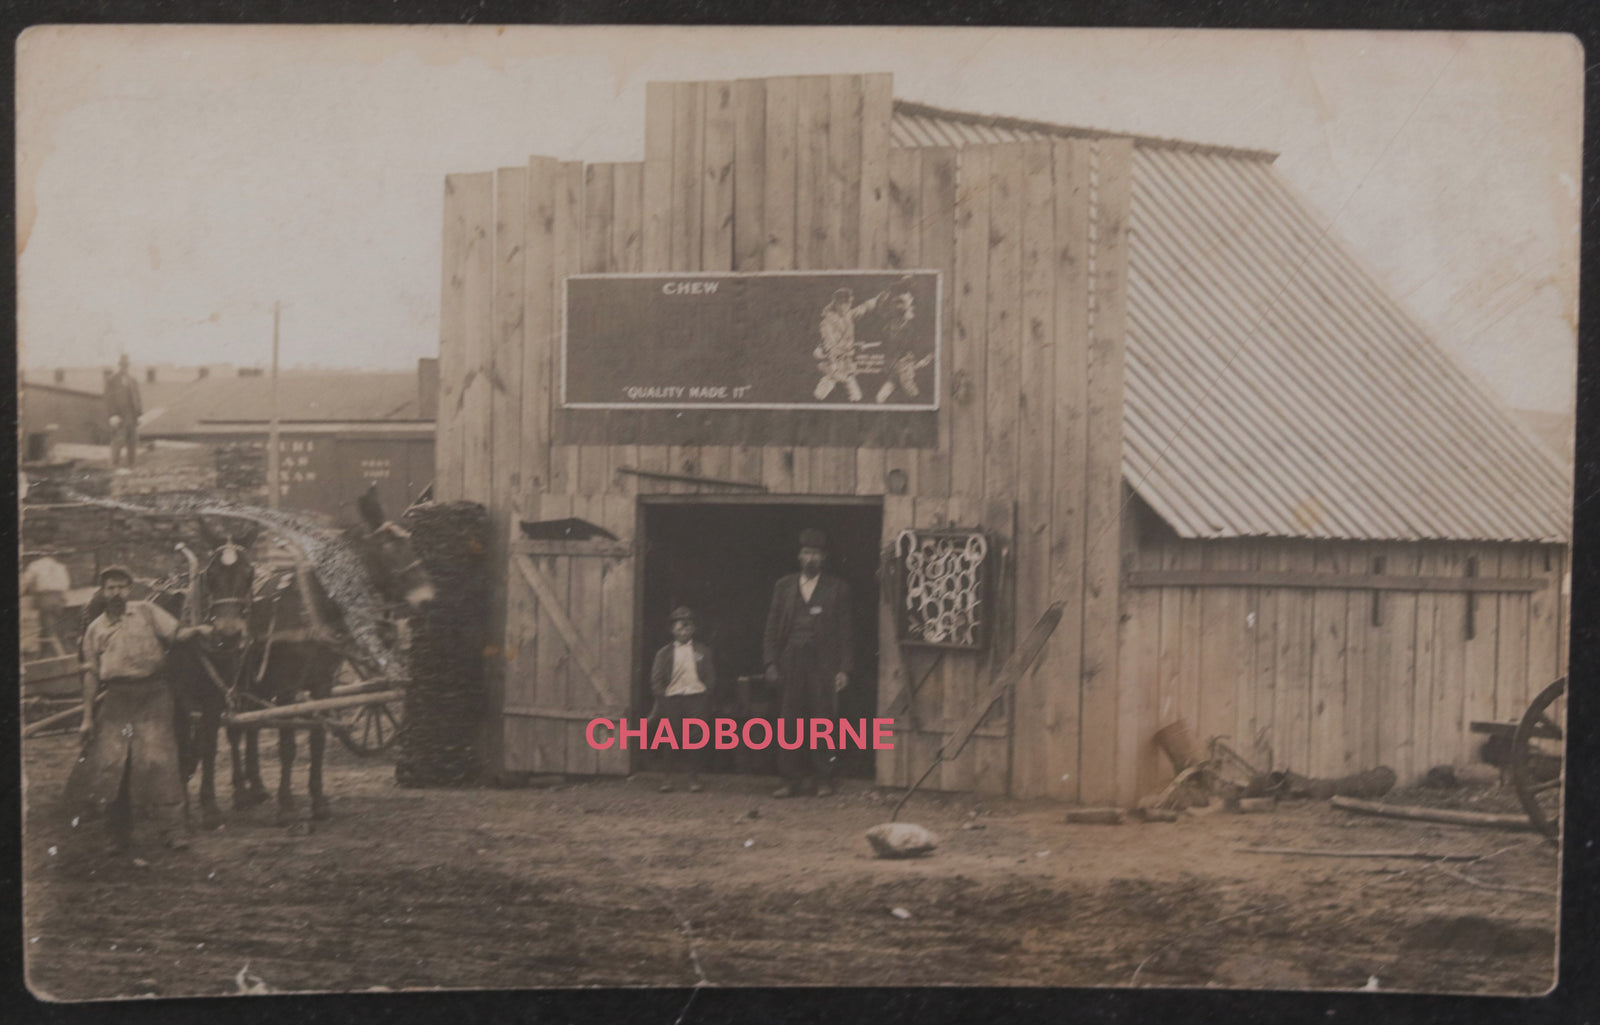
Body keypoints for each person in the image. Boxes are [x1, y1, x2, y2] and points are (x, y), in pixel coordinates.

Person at [66, 566, 211, 852]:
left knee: (162, 762)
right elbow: (91, 675)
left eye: (121, 587)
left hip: (154, 694)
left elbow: (176, 634)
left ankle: (174, 831)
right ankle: (117, 835)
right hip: (117, 698)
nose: (116, 593)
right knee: (114, 767)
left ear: (129, 590)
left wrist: (199, 630)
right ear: (103, 592)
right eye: (110, 588)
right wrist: (86, 718)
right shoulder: (95, 629)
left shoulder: (146, 611)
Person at [763, 528, 853, 798]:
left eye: (815, 553)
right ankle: (790, 780)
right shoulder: (784, 587)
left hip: (823, 663)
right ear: (799, 556)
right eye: (806, 552)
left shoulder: (837, 588)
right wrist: (770, 662)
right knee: (790, 721)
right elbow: (771, 628)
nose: (810, 558)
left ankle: (823, 778)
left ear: (823, 557)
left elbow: (846, 632)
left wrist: (844, 669)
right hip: (791, 661)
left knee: (822, 720)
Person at [649, 606, 717, 793]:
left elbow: (710, 677)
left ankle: (693, 779)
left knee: (696, 738)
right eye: (680, 628)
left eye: (688, 627)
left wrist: (704, 694)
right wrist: (663, 698)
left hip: (696, 699)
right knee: (670, 737)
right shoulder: (664, 653)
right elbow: (656, 680)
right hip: (672, 700)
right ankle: (667, 779)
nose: (684, 632)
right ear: (672, 630)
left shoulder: (702, 651)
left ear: (693, 629)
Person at [20, 553, 73, 656]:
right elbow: (66, 584)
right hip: (59, 598)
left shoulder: (35, 565)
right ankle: (44, 654)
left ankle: (60, 655)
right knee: (53, 626)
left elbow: (24, 583)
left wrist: (27, 591)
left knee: (48, 628)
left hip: (45, 598)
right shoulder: (60, 566)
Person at [105, 354, 142, 469]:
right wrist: (112, 415)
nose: (125, 367)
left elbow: (137, 398)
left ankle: (132, 466)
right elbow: (108, 398)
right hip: (120, 416)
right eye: (123, 365)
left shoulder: (133, 380)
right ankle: (114, 466)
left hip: (132, 415)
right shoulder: (112, 380)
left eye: (126, 365)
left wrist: (139, 414)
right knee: (118, 441)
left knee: (132, 442)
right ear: (119, 365)